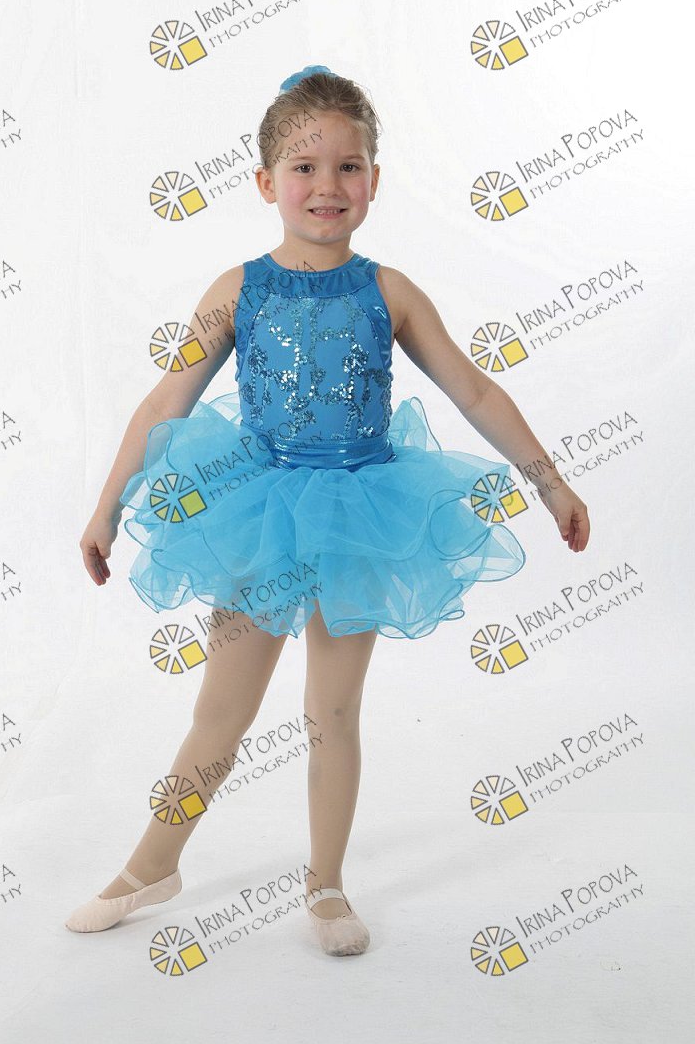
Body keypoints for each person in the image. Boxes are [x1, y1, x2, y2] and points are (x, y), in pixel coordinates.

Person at [66, 65, 590, 956]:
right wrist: (107, 507)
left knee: (333, 713)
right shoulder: (238, 289)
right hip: (260, 513)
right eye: (304, 168)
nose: (327, 185)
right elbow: (165, 403)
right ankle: (152, 864)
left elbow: (471, 389)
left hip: (360, 517)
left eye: (349, 167)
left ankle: (327, 885)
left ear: (374, 181)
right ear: (265, 181)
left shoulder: (390, 293)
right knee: (220, 712)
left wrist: (548, 480)